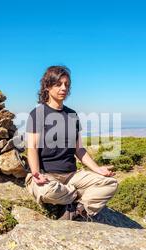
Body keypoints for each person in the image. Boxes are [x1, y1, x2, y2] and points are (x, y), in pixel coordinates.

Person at [24, 65, 118, 221]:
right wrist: (36, 173)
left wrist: (98, 169)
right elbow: (32, 148)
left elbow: (79, 149)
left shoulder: (72, 115)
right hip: (48, 176)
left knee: (110, 184)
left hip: (72, 175)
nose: (63, 88)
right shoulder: (37, 113)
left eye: (66, 85)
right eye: (58, 84)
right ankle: (74, 195)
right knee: (46, 191)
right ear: (47, 87)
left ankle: (79, 210)